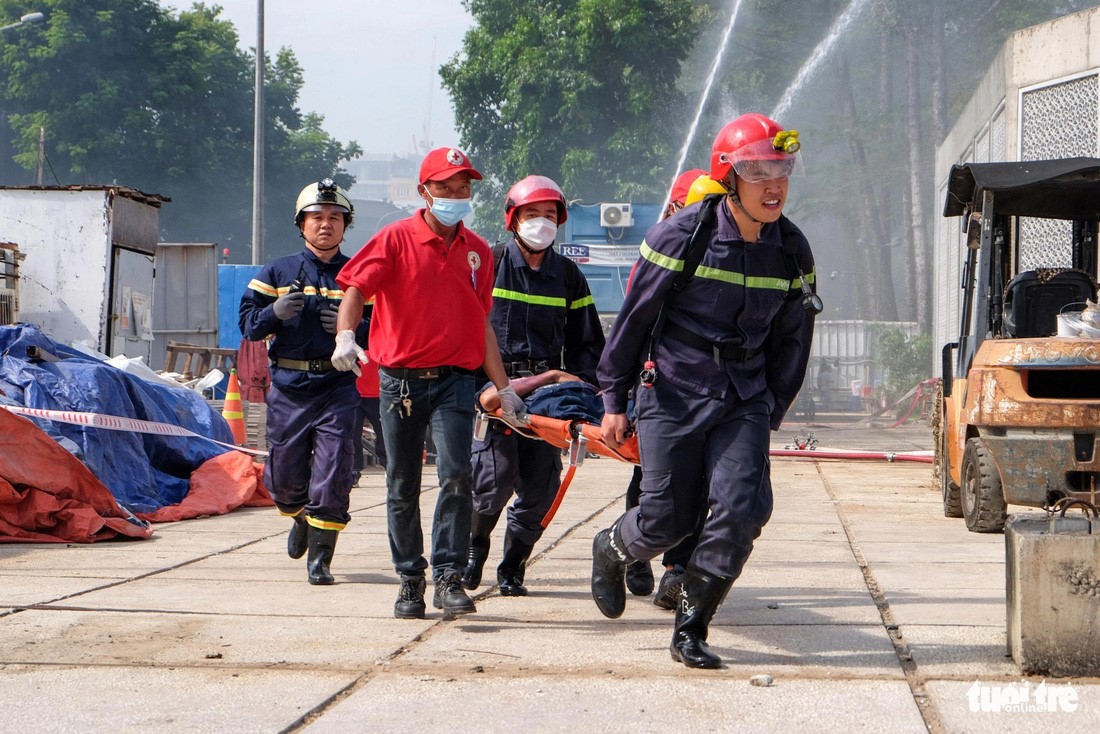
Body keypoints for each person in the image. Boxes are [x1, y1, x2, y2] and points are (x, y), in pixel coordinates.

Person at [589, 113, 818, 669]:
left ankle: (691, 629)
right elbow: (634, 321)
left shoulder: (791, 250)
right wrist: (613, 400)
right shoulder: (680, 235)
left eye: (782, 170)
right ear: (728, 177)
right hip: (673, 389)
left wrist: (772, 406)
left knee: (743, 508)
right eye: (759, 170)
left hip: (744, 396)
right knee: (668, 519)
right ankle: (613, 547)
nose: (775, 184)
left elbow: (795, 337)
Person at [331, 146, 526, 620]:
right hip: (398, 385)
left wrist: (504, 387)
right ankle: (410, 580)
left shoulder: (479, 251)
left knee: (457, 474)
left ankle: (449, 576)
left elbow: (481, 325)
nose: (456, 195)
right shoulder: (395, 239)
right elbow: (357, 289)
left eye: (463, 187)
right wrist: (344, 335)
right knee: (401, 482)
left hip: (456, 384)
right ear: (424, 191)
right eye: (445, 187)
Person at [463, 175, 605, 597]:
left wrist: (588, 393)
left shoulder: (568, 276)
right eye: (531, 214)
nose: (540, 223)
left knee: (541, 487)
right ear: (513, 219)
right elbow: (469, 327)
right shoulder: (489, 263)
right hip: (494, 387)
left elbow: (586, 341)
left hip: (548, 397)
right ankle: (475, 553)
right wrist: (474, 390)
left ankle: (513, 565)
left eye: (549, 215)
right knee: (494, 480)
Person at [238, 178, 369, 586]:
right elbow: (247, 326)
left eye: (334, 217)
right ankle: (299, 518)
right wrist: (273, 313)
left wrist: (354, 328)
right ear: (301, 224)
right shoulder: (276, 271)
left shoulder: (358, 276)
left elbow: (384, 329)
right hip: (289, 386)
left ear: (346, 225)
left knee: (333, 470)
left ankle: (321, 560)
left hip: (338, 387)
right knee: (283, 478)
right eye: (316, 217)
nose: (325, 224)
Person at [622, 167, 706, 599]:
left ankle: (678, 569)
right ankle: (631, 554)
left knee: (702, 486)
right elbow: (633, 323)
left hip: (708, 390)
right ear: (675, 208)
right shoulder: (659, 248)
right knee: (652, 478)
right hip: (658, 386)